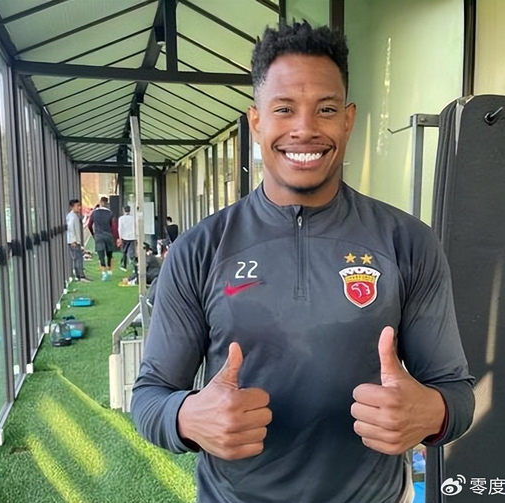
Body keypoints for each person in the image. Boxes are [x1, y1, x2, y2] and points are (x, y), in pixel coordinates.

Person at [131, 21, 475, 503]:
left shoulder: (408, 242)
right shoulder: (200, 250)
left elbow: (456, 393)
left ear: (349, 120)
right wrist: (186, 416)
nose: (306, 129)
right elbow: (149, 395)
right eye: (285, 109)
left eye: (326, 109)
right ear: (256, 122)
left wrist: (431, 411)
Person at [87, 196, 119, 281]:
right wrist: (116, 237)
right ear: (107, 203)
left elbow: (89, 225)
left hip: (98, 235)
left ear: (100, 202)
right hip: (108, 235)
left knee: (101, 254)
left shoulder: (94, 213)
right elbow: (114, 226)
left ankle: (103, 272)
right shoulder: (110, 213)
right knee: (109, 254)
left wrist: (93, 234)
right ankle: (109, 270)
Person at [65, 199, 90, 283]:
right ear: (72, 207)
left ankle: (79, 275)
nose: (79, 207)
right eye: (77, 206)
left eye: (79, 206)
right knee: (78, 259)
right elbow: (70, 228)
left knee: (78, 258)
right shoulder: (72, 217)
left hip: (75, 241)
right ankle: (80, 276)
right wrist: (73, 240)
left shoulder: (73, 216)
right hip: (74, 242)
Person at [118, 205, 137, 271]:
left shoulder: (121, 218)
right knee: (132, 253)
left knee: (124, 252)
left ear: (123, 210)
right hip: (132, 237)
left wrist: (120, 237)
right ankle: (135, 267)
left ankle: (124, 265)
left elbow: (120, 228)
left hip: (124, 237)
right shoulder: (133, 218)